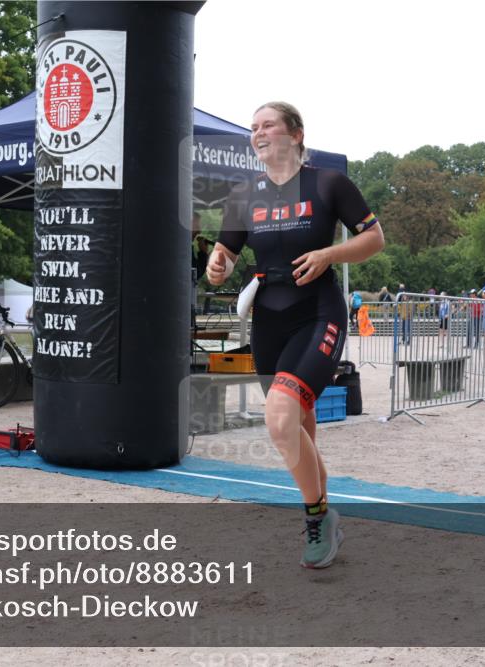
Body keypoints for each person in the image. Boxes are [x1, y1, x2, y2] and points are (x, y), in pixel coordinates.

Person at [206, 101, 385, 569]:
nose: (258, 133)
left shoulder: (328, 183)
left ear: (296, 134)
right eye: (253, 128)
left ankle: (317, 517)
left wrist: (330, 254)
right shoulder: (244, 194)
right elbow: (224, 253)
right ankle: (325, 513)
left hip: (318, 312)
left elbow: (374, 239)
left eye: (268, 125)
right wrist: (216, 264)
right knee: (297, 428)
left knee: (280, 419)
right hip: (269, 318)